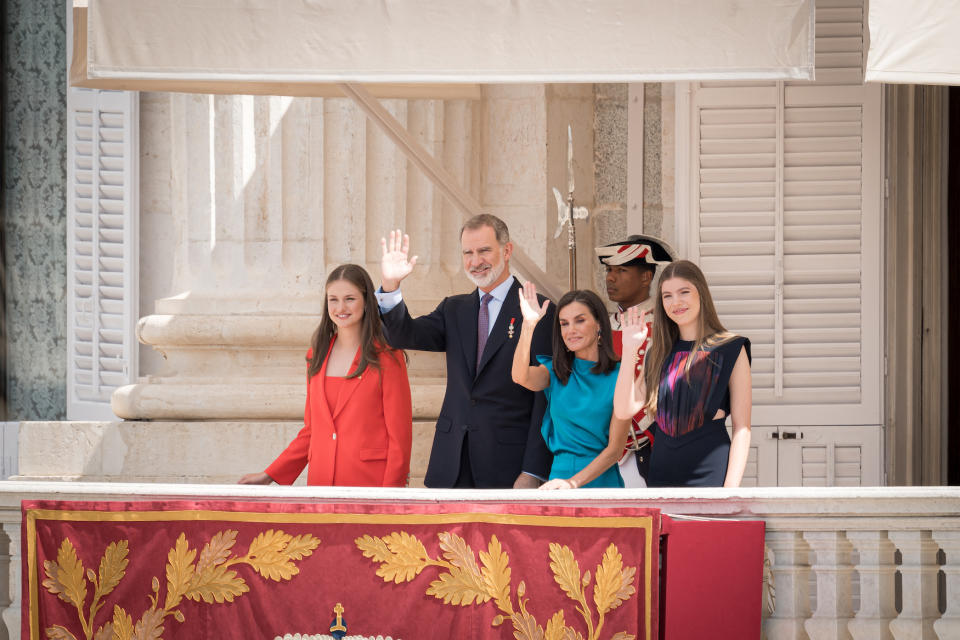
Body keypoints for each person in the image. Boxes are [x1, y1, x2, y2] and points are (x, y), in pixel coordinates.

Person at [377, 214, 554, 488]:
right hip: (451, 464)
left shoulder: (538, 309)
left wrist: (533, 470)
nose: (475, 261)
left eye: (484, 250)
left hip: (507, 466)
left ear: (507, 251)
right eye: (468, 253)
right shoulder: (453, 309)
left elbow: (545, 398)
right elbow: (402, 334)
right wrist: (391, 286)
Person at [239, 264, 413, 487]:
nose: (341, 307)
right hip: (321, 483)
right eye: (333, 299)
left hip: (370, 486)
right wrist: (270, 474)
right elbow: (312, 431)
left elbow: (400, 438)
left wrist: (391, 497)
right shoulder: (317, 355)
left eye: (350, 298)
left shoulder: (387, 357)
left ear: (366, 301)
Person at [613, 260, 752, 487]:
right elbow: (623, 409)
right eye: (667, 296)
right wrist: (629, 349)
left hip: (710, 473)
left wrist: (730, 491)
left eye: (684, 292)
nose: (675, 302)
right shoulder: (657, 353)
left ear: (701, 294)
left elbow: (742, 429)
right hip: (660, 473)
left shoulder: (731, 347)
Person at [511, 284, 630, 489]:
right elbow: (520, 376)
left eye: (580, 320)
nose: (571, 330)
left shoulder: (621, 376)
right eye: (564, 324)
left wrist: (573, 483)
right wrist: (529, 325)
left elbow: (615, 450)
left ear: (599, 324)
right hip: (557, 483)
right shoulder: (555, 372)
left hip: (600, 484)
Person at [596, 235, 675, 487]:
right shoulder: (601, 327)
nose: (610, 277)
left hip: (653, 446)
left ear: (646, 277)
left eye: (621, 270)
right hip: (606, 449)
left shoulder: (668, 326)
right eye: (609, 270)